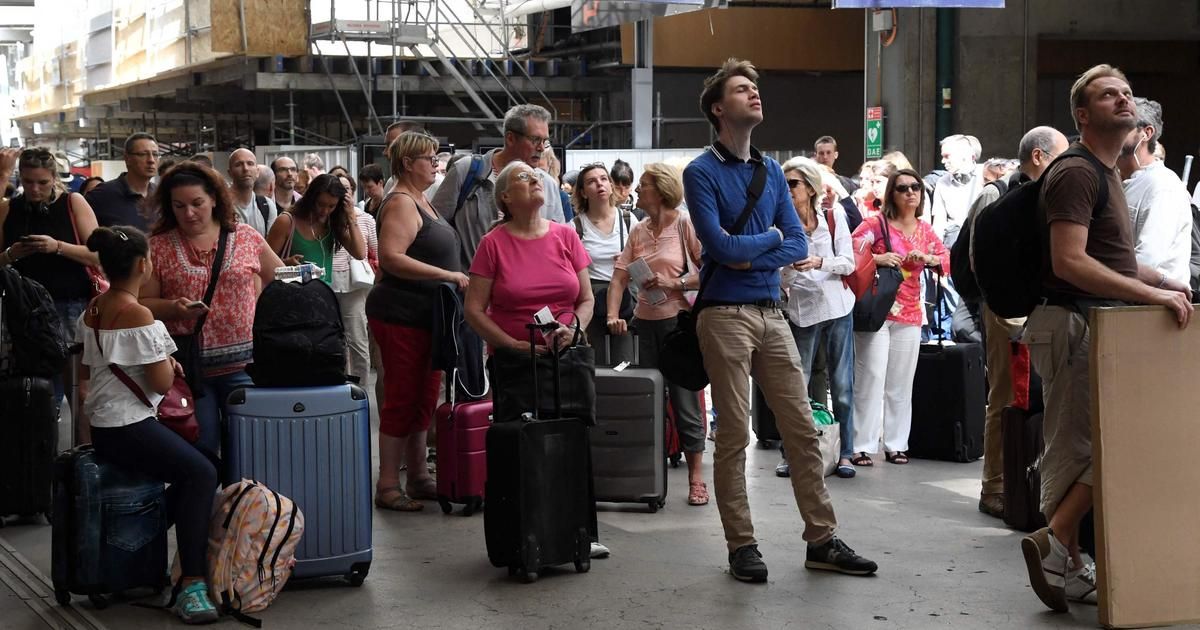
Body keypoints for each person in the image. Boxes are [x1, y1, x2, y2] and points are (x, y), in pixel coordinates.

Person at [684, 58, 877, 583]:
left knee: (803, 430)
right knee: (733, 437)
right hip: (724, 315)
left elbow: (796, 243)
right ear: (719, 108)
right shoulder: (700, 171)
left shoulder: (772, 171)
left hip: (773, 312)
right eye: (743, 89)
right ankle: (742, 545)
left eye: (756, 87)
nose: (755, 94)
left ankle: (821, 538)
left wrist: (757, 248)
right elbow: (720, 246)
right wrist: (767, 241)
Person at [1020, 64, 1193, 613]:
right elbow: (1069, 261)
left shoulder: (1108, 172)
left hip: (1090, 322)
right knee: (1085, 448)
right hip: (1072, 321)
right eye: (1107, 95)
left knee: (1093, 445)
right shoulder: (1077, 172)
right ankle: (1054, 545)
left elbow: (1115, 260)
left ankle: (1063, 560)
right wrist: (1151, 298)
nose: (1123, 100)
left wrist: (1164, 282)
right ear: (1081, 115)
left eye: (1126, 93)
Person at [464, 159, 608, 558]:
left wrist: (574, 329)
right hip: (515, 361)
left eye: (535, 175)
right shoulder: (493, 243)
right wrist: (510, 345)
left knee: (571, 442)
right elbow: (474, 310)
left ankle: (577, 532)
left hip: (566, 356)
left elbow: (586, 298)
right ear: (506, 197)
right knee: (521, 446)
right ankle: (523, 533)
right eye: (523, 178)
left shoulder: (565, 235)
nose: (534, 181)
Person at [78, 226, 219, 624]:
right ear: (144, 264)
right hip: (130, 425)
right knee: (202, 474)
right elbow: (160, 383)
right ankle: (192, 583)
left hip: (107, 425)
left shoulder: (92, 308)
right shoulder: (139, 314)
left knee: (205, 465)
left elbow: (89, 369)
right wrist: (166, 363)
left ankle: (142, 540)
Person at [140, 162, 284, 454]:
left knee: (250, 448)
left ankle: (246, 500)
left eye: (197, 203)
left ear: (215, 199)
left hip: (246, 366)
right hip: (189, 369)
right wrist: (173, 308)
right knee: (201, 446)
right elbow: (142, 305)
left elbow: (281, 284)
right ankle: (207, 500)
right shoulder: (159, 247)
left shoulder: (247, 237)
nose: (189, 213)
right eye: (179, 206)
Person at [971, 126, 1069, 519]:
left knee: (1036, 401)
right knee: (1007, 398)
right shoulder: (995, 196)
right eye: (1061, 157)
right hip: (1005, 314)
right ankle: (995, 486)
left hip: (1037, 311)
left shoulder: (1047, 196)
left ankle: (1027, 485)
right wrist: (1003, 309)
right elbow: (980, 260)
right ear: (1040, 157)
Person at [367, 131, 462, 512]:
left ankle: (420, 475)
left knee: (423, 397)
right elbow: (391, 257)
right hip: (402, 314)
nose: (436, 163)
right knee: (402, 398)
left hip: (428, 317)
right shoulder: (402, 203)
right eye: (429, 157)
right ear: (408, 163)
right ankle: (388, 483)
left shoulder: (423, 200)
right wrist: (449, 276)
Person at [605, 162, 707, 506]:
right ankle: (646, 474)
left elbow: (709, 273)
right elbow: (619, 276)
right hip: (642, 325)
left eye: (644, 184)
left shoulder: (685, 224)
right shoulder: (638, 230)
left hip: (676, 327)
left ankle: (696, 479)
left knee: (685, 402)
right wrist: (611, 315)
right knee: (645, 400)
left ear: (661, 190)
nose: (636, 190)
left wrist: (673, 282)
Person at [0, 146, 103, 441]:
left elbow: (99, 255)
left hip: (72, 305)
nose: (35, 189)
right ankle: (42, 461)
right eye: (29, 181)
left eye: (42, 183)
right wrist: (11, 254)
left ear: (54, 179)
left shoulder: (73, 202)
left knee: (82, 393)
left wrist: (56, 246)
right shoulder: (10, 208)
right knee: (39, 392)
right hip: (23, 311)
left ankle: (84, 459)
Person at [850, 168, 949, 467]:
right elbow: (850, 251)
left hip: (909, 311)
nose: (910, 193)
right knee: (871, 377)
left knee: (901, 382)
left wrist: (929, 259)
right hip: (876, 311)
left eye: (915, 187)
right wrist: (878, 258)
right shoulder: (875, 224)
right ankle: (862, 444)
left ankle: (896, 444)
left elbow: (946, 258)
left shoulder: (925, 230)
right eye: (903, 188)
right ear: (891, 193)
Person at [777, 157, 858, 480]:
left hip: (837, 308)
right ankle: (793, 453)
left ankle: (846, 452)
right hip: (801, 311)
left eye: (792, 183)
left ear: (810, 187)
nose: (787, 189)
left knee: (841, 387)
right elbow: (778, 274)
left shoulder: (833, 215)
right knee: (797, 387)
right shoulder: (780, 224)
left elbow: (848, 263)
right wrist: (789, 273)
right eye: (783, 184)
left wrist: (818, 262)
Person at [431, 104, 566, 270]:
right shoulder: (467, 171)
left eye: (544, 141)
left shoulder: (547, 185)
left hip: (528, 288)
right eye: (535, 139)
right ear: (510, 138)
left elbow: (559, 242)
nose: (541, 148)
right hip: (472, 287)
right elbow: (435, 230)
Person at [1116, 97, 1193, 286]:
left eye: (1122, 126)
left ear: (1146, 133)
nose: (1110, 133)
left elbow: (1147, 259)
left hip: (1151, 307)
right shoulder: (1115, 180)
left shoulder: (1163, 185)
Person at [571, 162, 635, 354]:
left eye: (604, 179)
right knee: (594, 361)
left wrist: (630, 264)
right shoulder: (574, 227)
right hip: (591, 300)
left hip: (625, 301)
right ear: (583, 192)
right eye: (592, 181)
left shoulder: (629, 220)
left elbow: (646, 261)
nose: (600, 184)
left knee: (624, 362)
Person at [266, 174, 366, 283]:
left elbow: (360, 253)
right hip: (292, 294)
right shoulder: (287, 221)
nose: (325, 211)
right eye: (320, 204)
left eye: (331, 206)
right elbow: (264, 264)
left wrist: (351, 217)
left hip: (324, 294)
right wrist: (285, 264)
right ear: (311, 198)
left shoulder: (333, 222)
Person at [332, 174, 378, 389]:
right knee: (333, 340)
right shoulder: (325, 216)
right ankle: (336, 385)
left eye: (347, 189)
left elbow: (374, 251)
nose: (343, 194)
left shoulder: (366, 218)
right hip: (328, 281)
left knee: (358, 339)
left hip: (355, 284)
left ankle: (361, 390)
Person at [86, 132, 159, 231]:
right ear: (127, 158)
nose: (151, 160)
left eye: (155, 154)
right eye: (143, 154)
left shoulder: (161, 195)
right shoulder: (101, 195)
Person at [930, 134, 985, 249]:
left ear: (965, 155)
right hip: (955, 247)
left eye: (947, 156)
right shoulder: (942, 183)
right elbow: (939, 223)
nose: (943, 161)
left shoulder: (986, 175)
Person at [228, 149, 277, 238]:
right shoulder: (219, 204)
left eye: (250, 163)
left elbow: (271, 245)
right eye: (238, 164)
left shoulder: (267, 206)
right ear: (230, 173)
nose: (245, 168)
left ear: (257, 172)